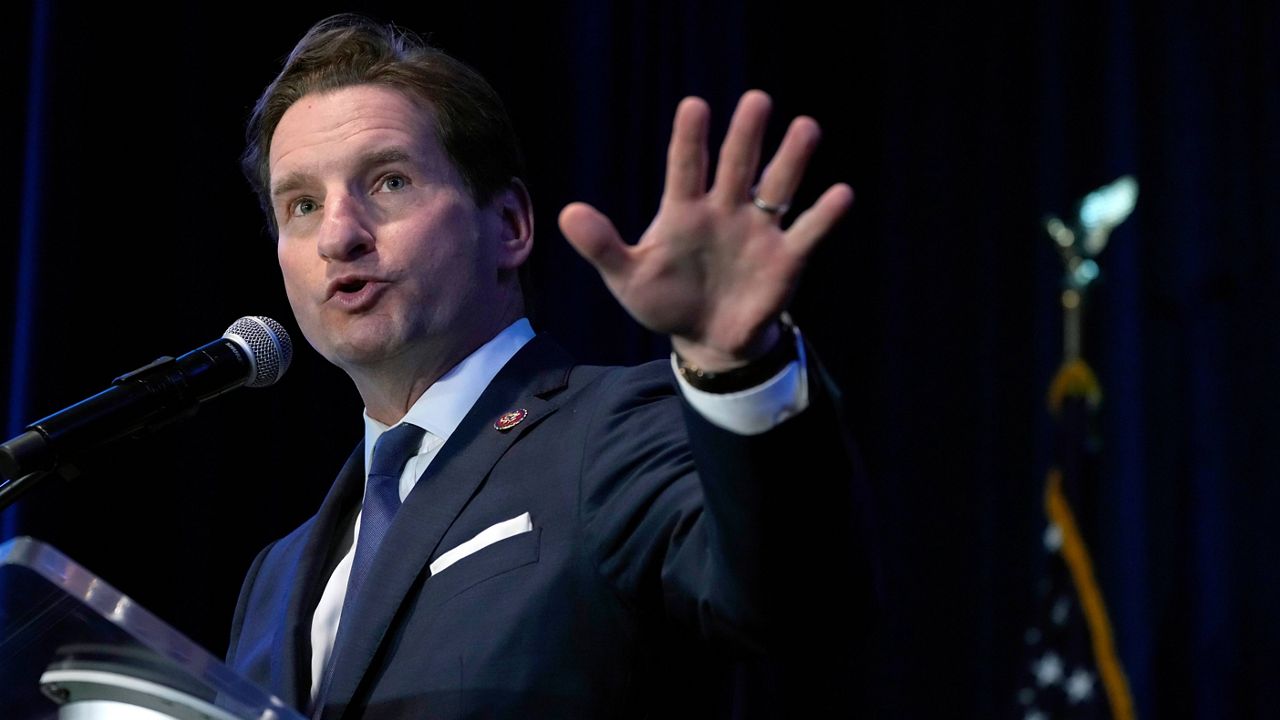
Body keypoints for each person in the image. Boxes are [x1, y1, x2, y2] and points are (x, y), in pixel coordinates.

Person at [225, 12, 876, 719]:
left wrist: (736, 364)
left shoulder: (610, 434)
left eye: (389, 183)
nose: (339, 236)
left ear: (508, 225)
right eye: (303, 205)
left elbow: (793, 598)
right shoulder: (275, 578)